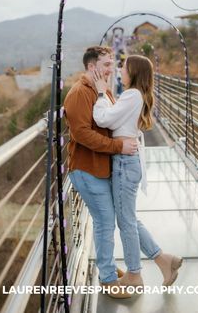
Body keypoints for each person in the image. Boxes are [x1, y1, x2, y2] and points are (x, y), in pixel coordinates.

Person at [92, 55, 183, 288]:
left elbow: (103, 119)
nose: (120, 70)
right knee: (129, 219)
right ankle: (165, 261)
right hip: (126, 162)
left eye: (124, 66)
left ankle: (134, 274)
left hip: (124, 162)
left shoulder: (132, 94)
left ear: (134, 72)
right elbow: (116, 120)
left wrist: (102, 93)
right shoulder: (135, 95)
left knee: (127, 223)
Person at [64, 46, 138, 298]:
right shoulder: (78, 94)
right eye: (106, 64)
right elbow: (82, 134)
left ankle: (107, 266)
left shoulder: (102, 90)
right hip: (86, 169)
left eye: (112, 63)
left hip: (102, 167)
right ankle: (107, 280)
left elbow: (110, 120)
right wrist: (119, 146)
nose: (111, 69)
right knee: (105, 221)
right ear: (91, 66)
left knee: (110, 220)